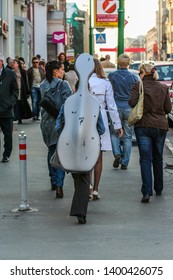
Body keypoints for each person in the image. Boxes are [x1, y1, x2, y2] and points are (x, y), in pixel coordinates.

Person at [129, 63, 172, 203]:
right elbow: (167, 109)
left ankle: (146, 192)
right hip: (160, 126)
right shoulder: (163, 87)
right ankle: (159, 188)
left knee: (145, 159)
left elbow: (131, 102)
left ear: (142, 73)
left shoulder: (139, 85)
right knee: (158, 157)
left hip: (143, 126)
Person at [89, 58, 123, 200]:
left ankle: (88, 185)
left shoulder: (83, 82)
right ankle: (96, 188)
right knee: (99, 155)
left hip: (85, 117)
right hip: (101, 117)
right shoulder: (105, 83)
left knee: (86, 152)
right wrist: (117, 126)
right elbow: (112, 106)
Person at [40, 60, 73, 198]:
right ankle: (59, 184)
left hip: (46, 123)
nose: (63, 71)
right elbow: (70, 103)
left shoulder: (43, 85)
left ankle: (53, 180)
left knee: (51, 150)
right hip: (60, 122)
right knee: (60, 153)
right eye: (62, 69)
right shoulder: (63, 84)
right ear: (55, 71)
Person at [108, 53, 139, 170]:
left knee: (114, 133)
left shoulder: (112, 76)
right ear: (129, 63)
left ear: (118, 63)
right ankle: (125, 161)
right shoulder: (133, 78)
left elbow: (109, 92)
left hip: (115, 108)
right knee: (127, 136)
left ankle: (117, 153)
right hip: (128, 108)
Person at [0, 53, 18, 162]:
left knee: (8, 135)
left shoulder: (9, 74)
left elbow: (15, 91)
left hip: (6, 110)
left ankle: (6, 154)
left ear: (1, 62)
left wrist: (10, 103)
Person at [11, 59, 32, 124]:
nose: (13, 64)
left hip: (21, 90)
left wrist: (27, 91)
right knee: (15, 103)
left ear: (17, 64)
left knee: (21, 103)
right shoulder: (11, 72)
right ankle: (16, 117)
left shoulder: (22, 72)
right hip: (14, 90)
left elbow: (25, 81)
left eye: (14, 63)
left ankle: (20, 118)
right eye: (12, 63)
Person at [27, 56, 45, 121]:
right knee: (34, 101)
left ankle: (38, 115)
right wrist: (28, 88)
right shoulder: (30, 70)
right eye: (34, 62)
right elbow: (27, 80)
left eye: (37, 62)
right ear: (32, 63)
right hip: (33, 87)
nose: (35, 64)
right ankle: (34, 115)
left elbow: (44, 78)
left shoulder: (41, 69)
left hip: (40, 87)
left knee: (40, 102)